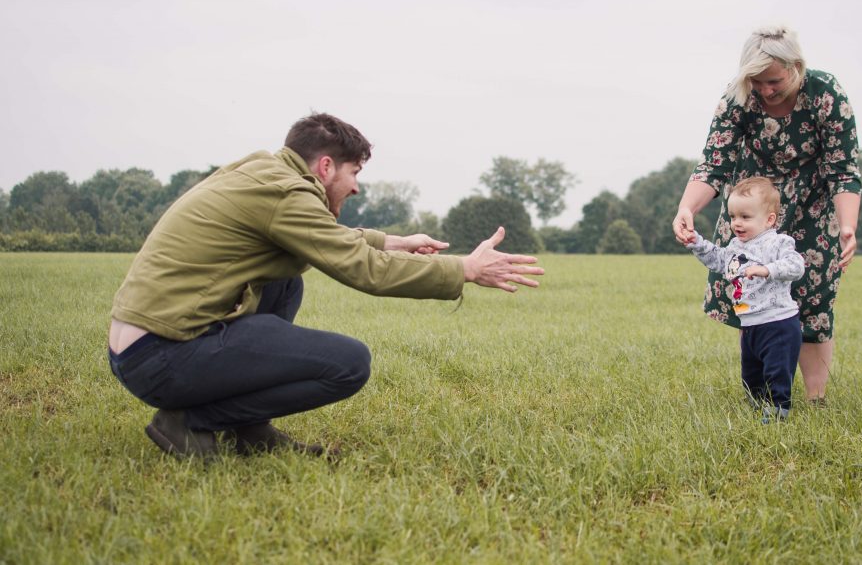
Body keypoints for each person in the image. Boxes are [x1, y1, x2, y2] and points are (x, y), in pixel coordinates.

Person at [108, 113, 545, 459]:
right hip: (161, 357)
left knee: (284, 283)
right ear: (325, 166)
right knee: (348, 363)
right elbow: (364, 270)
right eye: (354, 173)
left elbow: (322, 237)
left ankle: (249, 431)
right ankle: (191, 420)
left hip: (146, 347)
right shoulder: (286, 195)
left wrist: (393, 241)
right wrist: (464, 269)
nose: (355, 187)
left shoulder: (265, 172)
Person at [672, 26, 861, 406]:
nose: (766, 90)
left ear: (796, 67)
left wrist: (847, 226)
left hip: (812, 206)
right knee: (755, 296)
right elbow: (714, 163)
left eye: (773, 81)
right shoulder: (738, 95)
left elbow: (843, 169)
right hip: (752, 204)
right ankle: (761, 396)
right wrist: (686, 208)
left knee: (813, 303)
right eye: (757, 82)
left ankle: (815, 399)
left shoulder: (825, 93)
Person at [680, 177, 806, 421]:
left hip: (778, 322)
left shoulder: (777, 242)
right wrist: (696, 242)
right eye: (733, 216)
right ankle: (757, 406)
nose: (736, 222)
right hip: (749, 324)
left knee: (777, 370)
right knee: (751, 373)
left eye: (745, 217)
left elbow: (796, 265)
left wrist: (767, 270)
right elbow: (718, 259)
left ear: (769, 219)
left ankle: (779, 410)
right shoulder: (736, 245)